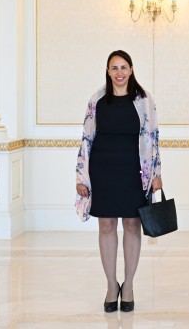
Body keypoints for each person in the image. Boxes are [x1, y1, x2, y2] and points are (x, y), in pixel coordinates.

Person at [75, 50, 163, 313]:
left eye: (124, 67)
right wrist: (81, 177)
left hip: (135, 171)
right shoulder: (97, 100)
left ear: (131, 69)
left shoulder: (144, 100)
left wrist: (157, 173)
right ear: (108, 71)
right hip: (102, 169)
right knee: (106, 225)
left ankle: (129, 286)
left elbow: (153, 137)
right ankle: (111, 286)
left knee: (132, 225)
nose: (119, 73)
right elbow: (86, 139)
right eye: (114, 68)